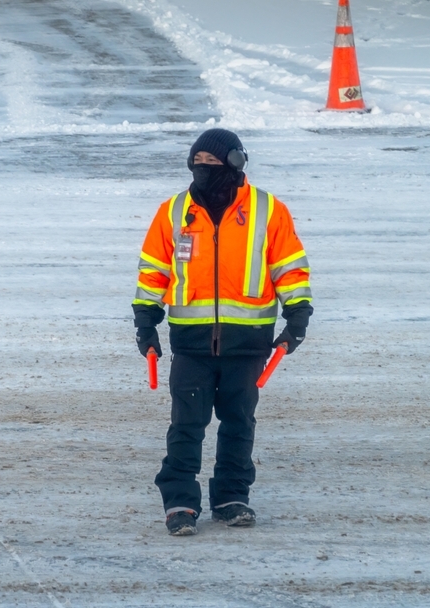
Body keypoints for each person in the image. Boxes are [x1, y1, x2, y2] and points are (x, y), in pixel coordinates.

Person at [133, 128, 313, 536]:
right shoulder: (174, 211)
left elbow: (289, 267)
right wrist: (145, 321)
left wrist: (297, 315)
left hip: (248, 343)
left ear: (236, 163)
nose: (204, 170)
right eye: (198, 163)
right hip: (191, 343)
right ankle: (179, 501)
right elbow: (154, 271)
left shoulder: (268, 210)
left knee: (238, 423)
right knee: (186, 425)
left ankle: (232, 497)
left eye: (213, 163)